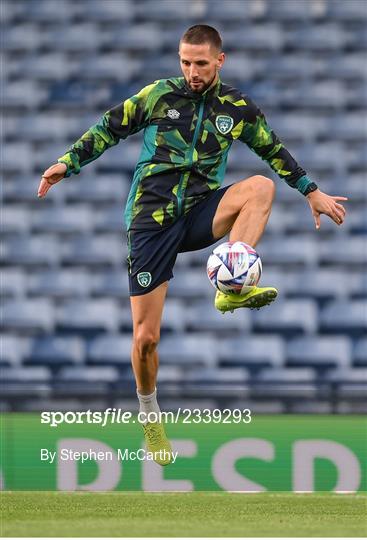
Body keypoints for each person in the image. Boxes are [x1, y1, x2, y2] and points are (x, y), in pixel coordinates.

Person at [38, 25, 347, 466]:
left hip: (201, 211)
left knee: (259, 188)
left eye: (200, 63)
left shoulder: (236, 107)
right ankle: (149, 416)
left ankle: (231, 284)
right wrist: (66, 163)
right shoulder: (158, 96)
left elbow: (273, 149)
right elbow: (109, 127)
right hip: (151, 221)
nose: (192, 71)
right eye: (185, 62)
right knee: (147, 338)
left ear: (220, 61)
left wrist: (311, 190)